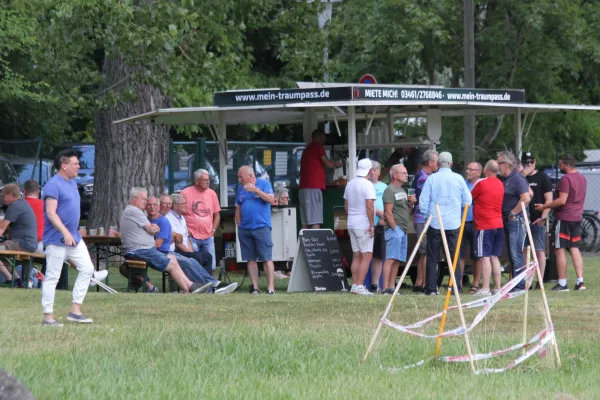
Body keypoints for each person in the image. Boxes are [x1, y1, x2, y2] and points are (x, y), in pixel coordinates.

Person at [119, 187, 210, 295]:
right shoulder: (135, 211)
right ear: (134, 199)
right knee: (173, 264)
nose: (146, 202)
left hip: (144, 250)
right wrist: (155, 229)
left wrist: (154, 229)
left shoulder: (134, 212)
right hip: (142, 250)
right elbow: (151, 229)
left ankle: (188, 289)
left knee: (174, 259)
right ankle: (190, 287)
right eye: (143, 199)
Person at [41, 149, 96, 326]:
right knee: (52, 277)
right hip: (57, 240)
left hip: (74, 238)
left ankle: (75, 311)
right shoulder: (53, 185)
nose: (79, 166)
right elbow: (50, 213)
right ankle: (48, 317)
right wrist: (64, 232)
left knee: (87, 269)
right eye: (75, 163)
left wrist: (74, 232)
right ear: (64, 166)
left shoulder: (72, 183)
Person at [147, 196, 237, 294]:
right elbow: (162, 243)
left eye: (155, 205)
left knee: (194, 259)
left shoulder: (166, 220)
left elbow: (182, 237)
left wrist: (187, 248)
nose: (152, 207)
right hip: (165, 252)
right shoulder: (159, 220)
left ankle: (214, 284)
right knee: (189, 261)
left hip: (167, 252)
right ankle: (211, 287)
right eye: (150, 205)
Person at [419, 152, 472, 295]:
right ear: (451, 164)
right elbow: (468, 201)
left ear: (438, 163)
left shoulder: (432, 179)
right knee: (454, 257)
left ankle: (431, 288)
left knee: (432, 257)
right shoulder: (458, 179)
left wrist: (426, 216)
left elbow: (423, 200)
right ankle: (455, 287)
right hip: (453, 223)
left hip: (435, 221)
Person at [535, 154, 587, 291]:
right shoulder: (582, 178)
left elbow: (562, 200)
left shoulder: (565, 179)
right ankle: (580, 282)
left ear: (567, 165)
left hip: (564, 218)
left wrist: (545, 206)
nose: (559, 166)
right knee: (574, 248)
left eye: (560, 164)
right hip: (577, 218)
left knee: (559, 249)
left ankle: (562, 283)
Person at [235, 166, 276, 294]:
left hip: (261, 227)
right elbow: (238, 206)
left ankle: (271, 287)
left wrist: (255, 190)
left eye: (240, 176)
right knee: (250, 259)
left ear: (250, 175)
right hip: (245, 229)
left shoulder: (264, 184)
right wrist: (239, 224)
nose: (239, 179)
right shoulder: (240, 189)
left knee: (266, 257)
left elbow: (271, 200)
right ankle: (255, 287)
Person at [470, 161, 505, 296]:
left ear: (486, 170)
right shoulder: (500, 183)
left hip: (484, 225)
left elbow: (469, 197)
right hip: (498, 223)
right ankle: (497, 287)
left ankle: (485, 288)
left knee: (484, 257)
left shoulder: (482, 183)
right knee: (494, 257)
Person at [497, 151, 530, 291]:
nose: (498, 166)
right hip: (507, 220)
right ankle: (515, 282)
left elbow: (526, 198)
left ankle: (520, 285)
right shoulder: (505, 179)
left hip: (516, 220)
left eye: (500, 163)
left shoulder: (517, 179)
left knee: (516, 252)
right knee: (511, 253)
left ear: (508, 164)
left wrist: (513, 213)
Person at [344, 158, 376, 296]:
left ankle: (355, 286)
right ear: (370, 171)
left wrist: (351, 216)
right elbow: (369, 206)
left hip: (351, 221)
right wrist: (371, 224)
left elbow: (346, 205)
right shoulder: (368, 185)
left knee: (356, 255)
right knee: (367, 255)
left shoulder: (350, 183)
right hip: (363, 223)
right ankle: (359, 285)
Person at [520, 152, 552, 290]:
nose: (528, 164)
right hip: (522, 219)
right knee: (524, 251)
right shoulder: (520, 178)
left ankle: (540, 280)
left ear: (535, 162)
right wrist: (523, 174)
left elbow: (549, 200)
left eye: (531, 162)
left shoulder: (542, 177)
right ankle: (527, 282)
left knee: (539, 251)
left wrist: (543, 218)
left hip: (537, 219)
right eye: (526, 162)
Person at [298, 129, 342, 229]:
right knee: (315, 221)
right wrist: (337, 163)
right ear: (321, 137)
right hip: (313, 188)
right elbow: (328, 164)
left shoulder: (307, 149)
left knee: (305, 222)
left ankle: (303, 244)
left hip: (303, 188)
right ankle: (315, 243)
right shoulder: (318, 147)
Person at [381, 164, 415, 294]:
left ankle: (392, 287)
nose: (406, 175)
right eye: (403, 173)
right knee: (390, 258)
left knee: (397, 260)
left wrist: (411, 204)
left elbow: (406, 211)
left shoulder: (402, 190)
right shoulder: (389, 190)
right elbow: (388, 212)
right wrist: (395, 229)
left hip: (404, 229)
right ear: (395, 175)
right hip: (394, 229)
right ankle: (384, 287)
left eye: (406, 173)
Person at [181, 169, 220, 273]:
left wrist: (213, 231)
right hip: (191, 236)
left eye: (209, 180)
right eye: (205, 180)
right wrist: (185, 230)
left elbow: (217, 215)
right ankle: (195, 285)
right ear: (197, 181)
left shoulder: (212, 194)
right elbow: (178, 214)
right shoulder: (185, 193)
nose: (208, 182)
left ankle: (209, 286)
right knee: (194, 264)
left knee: (210, 266)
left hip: (208, 236)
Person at [411, 150, 438, 292]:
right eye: (436, 161)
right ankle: (422, 282)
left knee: (425, 251)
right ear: (430, 162)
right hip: (422, 217)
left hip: (423, 217)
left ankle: (420, 282)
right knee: (425, 250)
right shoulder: (424, 177)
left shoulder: (424, 175)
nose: (438, 164)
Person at [0, 184, 38, 288]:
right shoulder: (22, 204)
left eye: (3, 195)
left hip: (22, 243)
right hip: (28, 243)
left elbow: (2, 228)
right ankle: (16, 280)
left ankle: (12, 279)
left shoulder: (15, 206)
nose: (2, 198)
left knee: (1, 250)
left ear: (10, 195)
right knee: (2, 257)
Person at [166, 193, 213, 270]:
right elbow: (178, 243)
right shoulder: (169, 218)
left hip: (185, 250)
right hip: (177, 250)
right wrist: (191, 253)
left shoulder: (182, 218)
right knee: (197, 257)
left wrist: (191, 251)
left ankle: (207, 280)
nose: (186, 206)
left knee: (208, 256)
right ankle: (198, 280)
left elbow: (186, 238)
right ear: (175, 206)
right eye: (183, 204)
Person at [367, 161, 387, 293]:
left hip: (381, 225)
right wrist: (380, 214)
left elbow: (388, 204)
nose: (372, 172)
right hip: (368, 224)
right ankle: (360, 283)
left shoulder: (384, 186)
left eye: (374, 170)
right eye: (370, 170)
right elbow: (367, 204)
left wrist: (384, 218)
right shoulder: (365, 185)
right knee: (365, 255)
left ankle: (375, 285)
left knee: (379, 256)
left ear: (379, 172)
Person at [462, 162, 482, 294]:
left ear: (479, 172)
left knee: (477, 255)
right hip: (461, 222)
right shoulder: (462, 184)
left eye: (471, 169)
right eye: (467, 168)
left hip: (477, 223)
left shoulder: (482, 184)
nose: (467, 171)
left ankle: (475, 283)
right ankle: (457, 283)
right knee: (459, 254)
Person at [23, 179, 44, 253]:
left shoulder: (18, 204)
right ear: (38, 192)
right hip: (41, 244)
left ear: (24, 192)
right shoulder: (45, 205)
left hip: (22, 244)